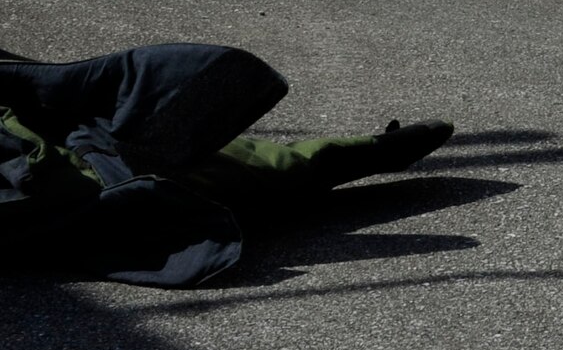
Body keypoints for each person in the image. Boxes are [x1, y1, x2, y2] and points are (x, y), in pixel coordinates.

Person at [1, 42, 453, 286]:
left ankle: (51, 107)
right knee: (237, 172)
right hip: (70, 175)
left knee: (228, 171)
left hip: (58, 158)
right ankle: (364, 151)